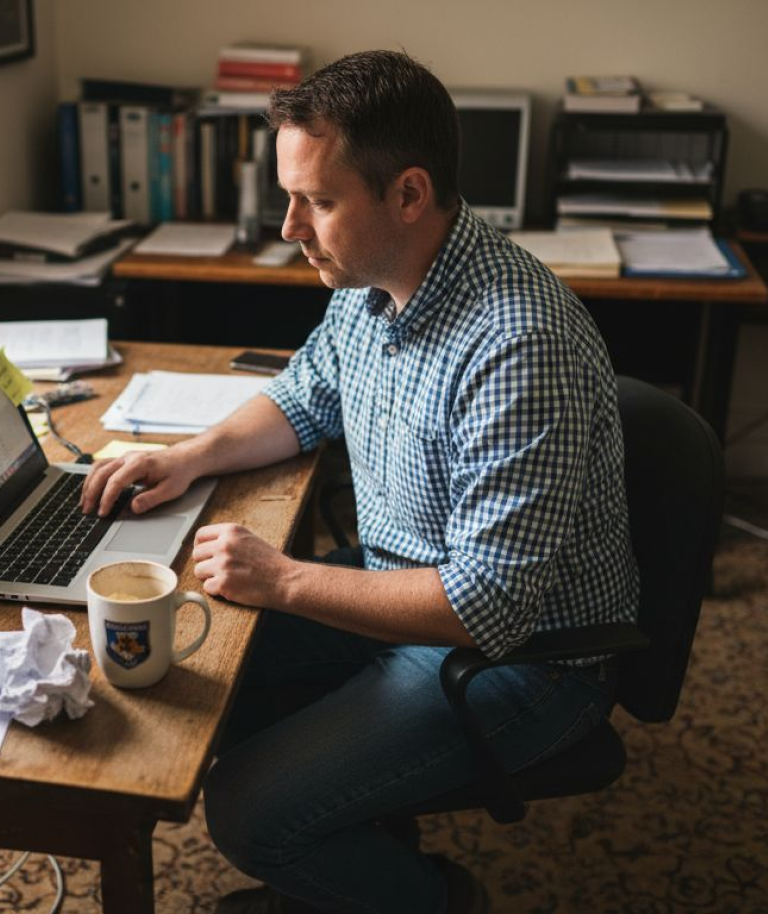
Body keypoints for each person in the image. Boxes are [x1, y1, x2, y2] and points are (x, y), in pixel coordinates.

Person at [80, 50, 638, 914]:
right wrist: (189, 456)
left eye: (319, 201)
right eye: (290, 196)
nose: (289, 227)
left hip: (523, 660)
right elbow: (306, 398)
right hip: (394, 582)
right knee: (197, 675)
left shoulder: (519, 345)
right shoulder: (372, 274)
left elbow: (482, 606)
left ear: (408, 194)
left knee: (245, 811)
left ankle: (437, 901)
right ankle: (357, 834)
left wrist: (289, 579)